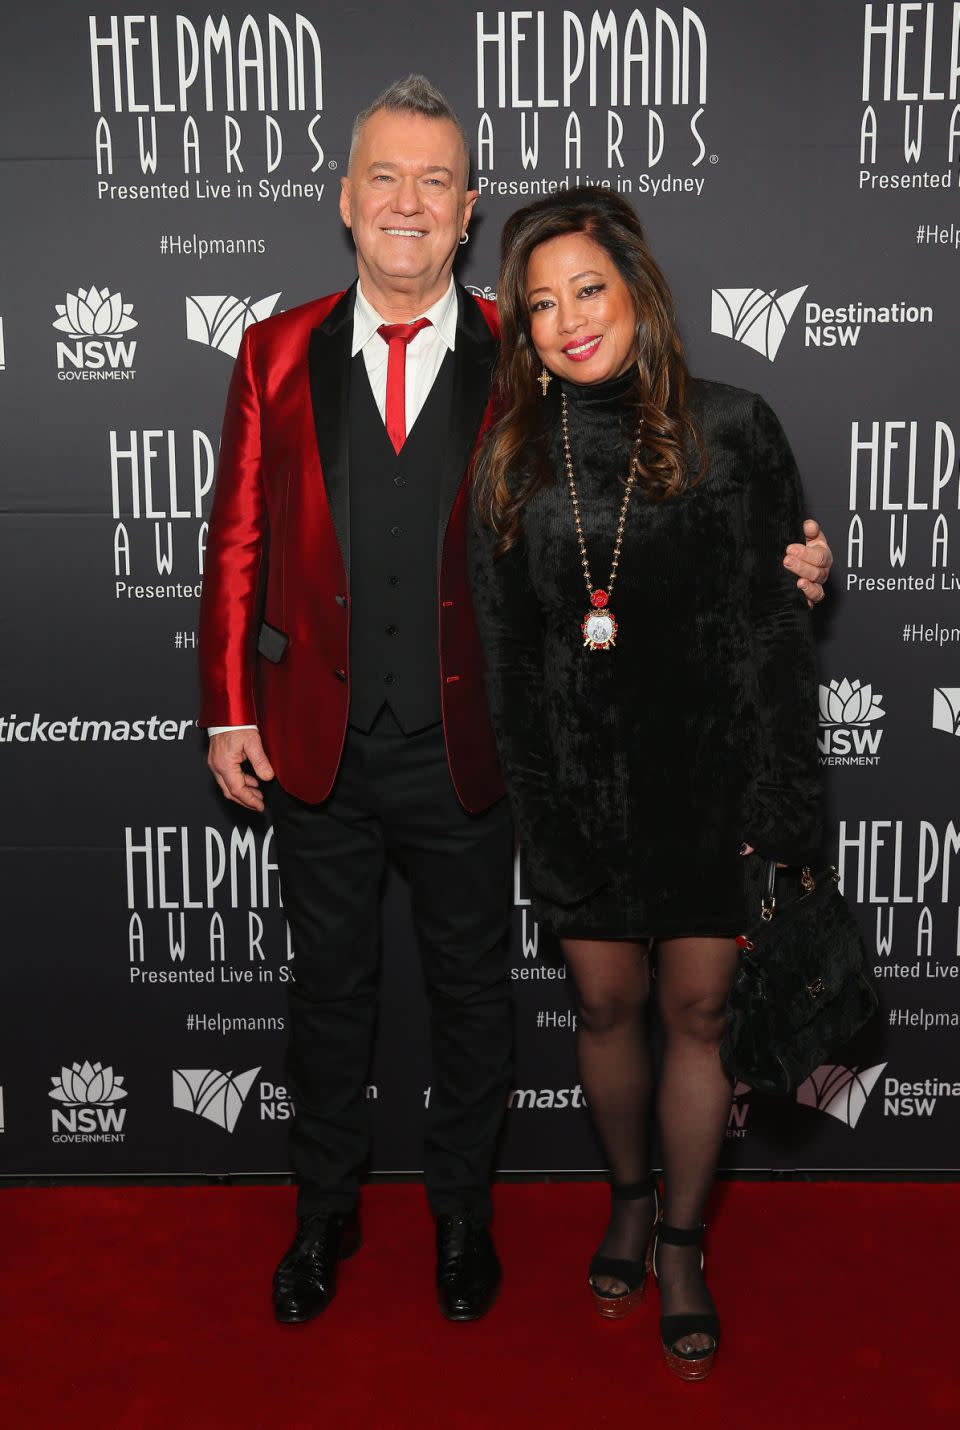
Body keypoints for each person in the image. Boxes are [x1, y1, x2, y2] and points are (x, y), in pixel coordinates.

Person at [198, 77, 833, 1329]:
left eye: (437, 180)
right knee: (324, 993)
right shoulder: (274, 349)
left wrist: (785, 560)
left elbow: (652, 481)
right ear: (343, 198)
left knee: (471, 994)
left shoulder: (524, 351)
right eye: (386, 176)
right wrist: (228, 707)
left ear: (465, 205)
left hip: (472, 744)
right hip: (312, 739)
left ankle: (460, 1220)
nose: (409, 201)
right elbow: (237, 538)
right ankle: (322, 1212)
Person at [469, 187, 823, 1380]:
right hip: (581, 795)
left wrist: (780, 810)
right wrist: (544, 820)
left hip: (710, 787)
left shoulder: (735, 426)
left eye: (589, 289)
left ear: (637, 292)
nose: (569, 321)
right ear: (522, 328)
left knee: (700, 1016)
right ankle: (627, 1197)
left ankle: (681, 1240)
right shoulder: (514, 457)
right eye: (540, 304)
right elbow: (511, 671)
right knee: (609, 1011)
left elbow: (779, 630)